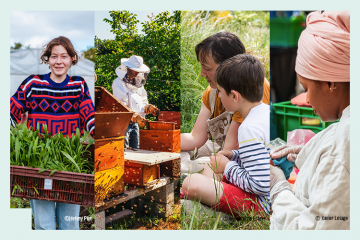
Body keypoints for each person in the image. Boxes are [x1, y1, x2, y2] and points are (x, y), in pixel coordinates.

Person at [270, 11, 350, 230]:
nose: (305, 99)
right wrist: (308, 153)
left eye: (306, 88)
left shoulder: (340, 149)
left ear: (330, 82)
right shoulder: (343, 133)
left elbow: (313, 230)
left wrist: (278, 188)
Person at [10, 36, 95, 230]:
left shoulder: (78, 85)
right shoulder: (33, 83)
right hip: (39, 164)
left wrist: (100, 132)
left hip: (70, 164)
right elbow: (11, 110)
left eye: (64, 56)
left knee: (70, 225)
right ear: (47, 59)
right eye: (54, 56)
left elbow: (89, 114)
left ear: (72, 59)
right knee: (44, 226)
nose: (59, 61)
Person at [182, 54, 270, 217]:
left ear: (234, 96)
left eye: (221, 92)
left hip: (260, 203)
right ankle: (216, 196)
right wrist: (234, 155)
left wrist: (227, 167)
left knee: (190, 183)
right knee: (209, 169)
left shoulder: (248, 127)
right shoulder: (265, 113)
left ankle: (221, 211)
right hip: (261, 191)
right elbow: (262, 157)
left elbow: (260, 185)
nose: (219, 96)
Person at [181, 31, 270, 174]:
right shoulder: (212, 92)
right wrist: (164, 142)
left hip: (244, 159)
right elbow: (195, 138)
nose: (202, 73)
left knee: (198, 166)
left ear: (229, 67)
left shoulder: (248, 91)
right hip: (222, 148)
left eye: (207, 68)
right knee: (181, 153)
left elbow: (230, 150)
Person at [112, 55, 159, 149]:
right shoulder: (118, 83)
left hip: (136, 122)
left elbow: (143, 98)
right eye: (135, 69)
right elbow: (120, 105)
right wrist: (133, 116)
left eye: (138, 70)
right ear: (128, 68)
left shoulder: (138, 83)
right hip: (124, 123)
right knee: (124, 149)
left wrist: (148, 107)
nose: (137, 72)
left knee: (135, 148)